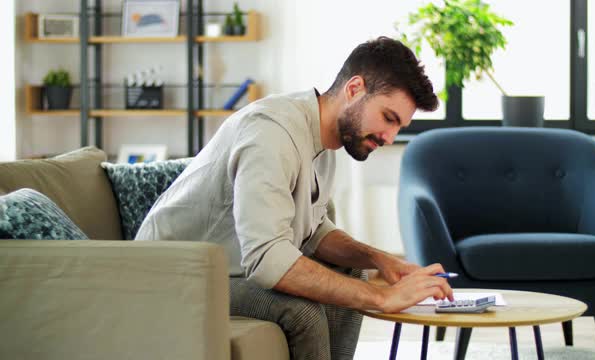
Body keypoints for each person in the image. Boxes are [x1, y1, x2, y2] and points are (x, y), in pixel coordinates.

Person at [135, 36, 453, 360]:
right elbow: (267, 260)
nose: (390, 137)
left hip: (224, 269)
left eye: (399, 125)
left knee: (351, 272)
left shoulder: (324, 142)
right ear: (355, 89)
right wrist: (380, 297)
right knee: (302, 312)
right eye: (388, 118)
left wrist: (381, 260)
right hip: (171, 277)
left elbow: (313, 231)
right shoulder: (271, 133)